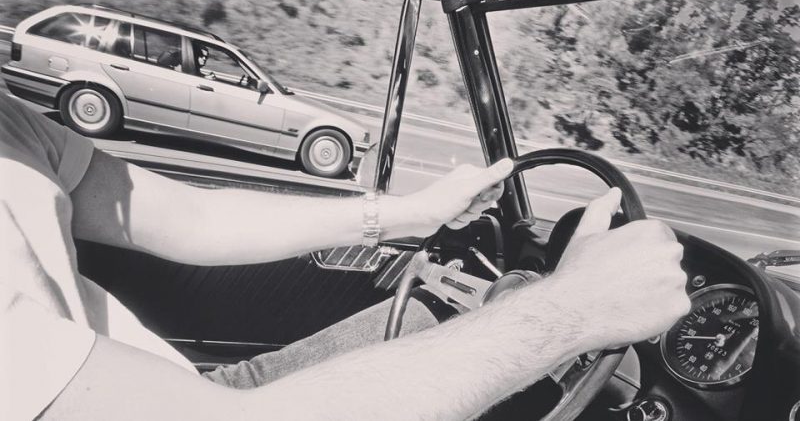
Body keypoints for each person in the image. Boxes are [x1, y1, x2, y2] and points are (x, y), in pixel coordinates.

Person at [0, 91, 689, 420]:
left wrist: (407, 213)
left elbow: (192, 218)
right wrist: (570, 310)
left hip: (174, 390)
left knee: (432, 315)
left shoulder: (11, 122)